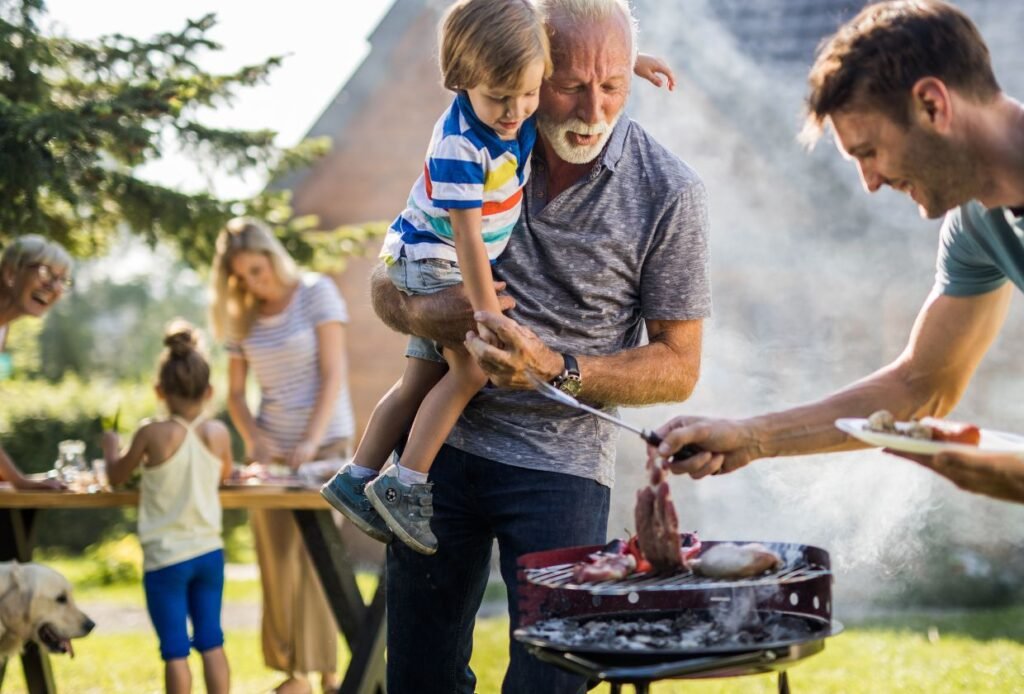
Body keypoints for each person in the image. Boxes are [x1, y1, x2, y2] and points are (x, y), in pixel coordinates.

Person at [368, 0, 710, 690]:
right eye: (572, 85)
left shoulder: (671, 192)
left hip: (563, 471)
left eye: (613, 85)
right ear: (529, 69)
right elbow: (385, 285)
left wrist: (556, 366)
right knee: (417, 679)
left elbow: (679, 368)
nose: (592, 110)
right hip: (441, 455)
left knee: (549, 683)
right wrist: (428, 311)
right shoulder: (477, 138)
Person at [320, 0, 675, 556]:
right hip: (436, 260)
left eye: (529, 94)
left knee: (416, 381)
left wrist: (632, 61)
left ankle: (355, 476)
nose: (517, 111)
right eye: (504, 97)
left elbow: (567, 65)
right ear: (465, 81)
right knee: (466, 373)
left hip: (420, 252)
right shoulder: (464, 145)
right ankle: (403, 482)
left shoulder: (506, 100)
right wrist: (486, 318)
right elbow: (466, 243)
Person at [653, 0, 1024, 505]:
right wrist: (753, 436)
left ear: (933, 105)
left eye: (869, 152)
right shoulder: (977, 225)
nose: (869, 183)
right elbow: (919, 385)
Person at [209, 217, 355, 694]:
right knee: (276, 561)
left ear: (272, 256)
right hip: (271, 460)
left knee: (317, 561)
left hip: (324, 449)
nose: (255, 282)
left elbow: (333, 375)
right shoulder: (242, 314)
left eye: (258, 269)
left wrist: (310, 441)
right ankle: (292, 673)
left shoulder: (317, 292)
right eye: (243, 276)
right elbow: (234, 393)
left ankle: (329, 675)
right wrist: (253, 436)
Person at [101, 320, 233, 694]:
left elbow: (116, 476)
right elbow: (223, 475)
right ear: (209, 391)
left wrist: (111, 446)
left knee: (175, 649)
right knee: (212, 640)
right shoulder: (218, 434)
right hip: (209, 552)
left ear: (159, 390)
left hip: (165, 558)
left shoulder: (150, 433)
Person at [0, 235, 73, 490]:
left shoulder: (3, 329)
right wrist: (20, 481)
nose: (54, 287)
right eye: (46, 273)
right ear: (11, 273)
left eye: (62, 280)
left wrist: (19, 480)